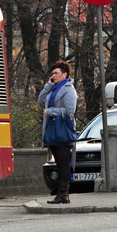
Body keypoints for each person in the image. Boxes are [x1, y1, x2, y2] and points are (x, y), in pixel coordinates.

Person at [38, 60, 78, 204]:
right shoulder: (53, 88)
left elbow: (69, 110)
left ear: (64, 74)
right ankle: (62, 194)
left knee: (63, 163)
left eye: (56, 73)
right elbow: (41, 100)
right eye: (52, 73)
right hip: (52, 131)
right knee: (59, 163)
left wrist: (50, 111)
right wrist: (48, 85)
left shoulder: (69, 90)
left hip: (63, 131)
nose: (53, 75)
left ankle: (63, 194)